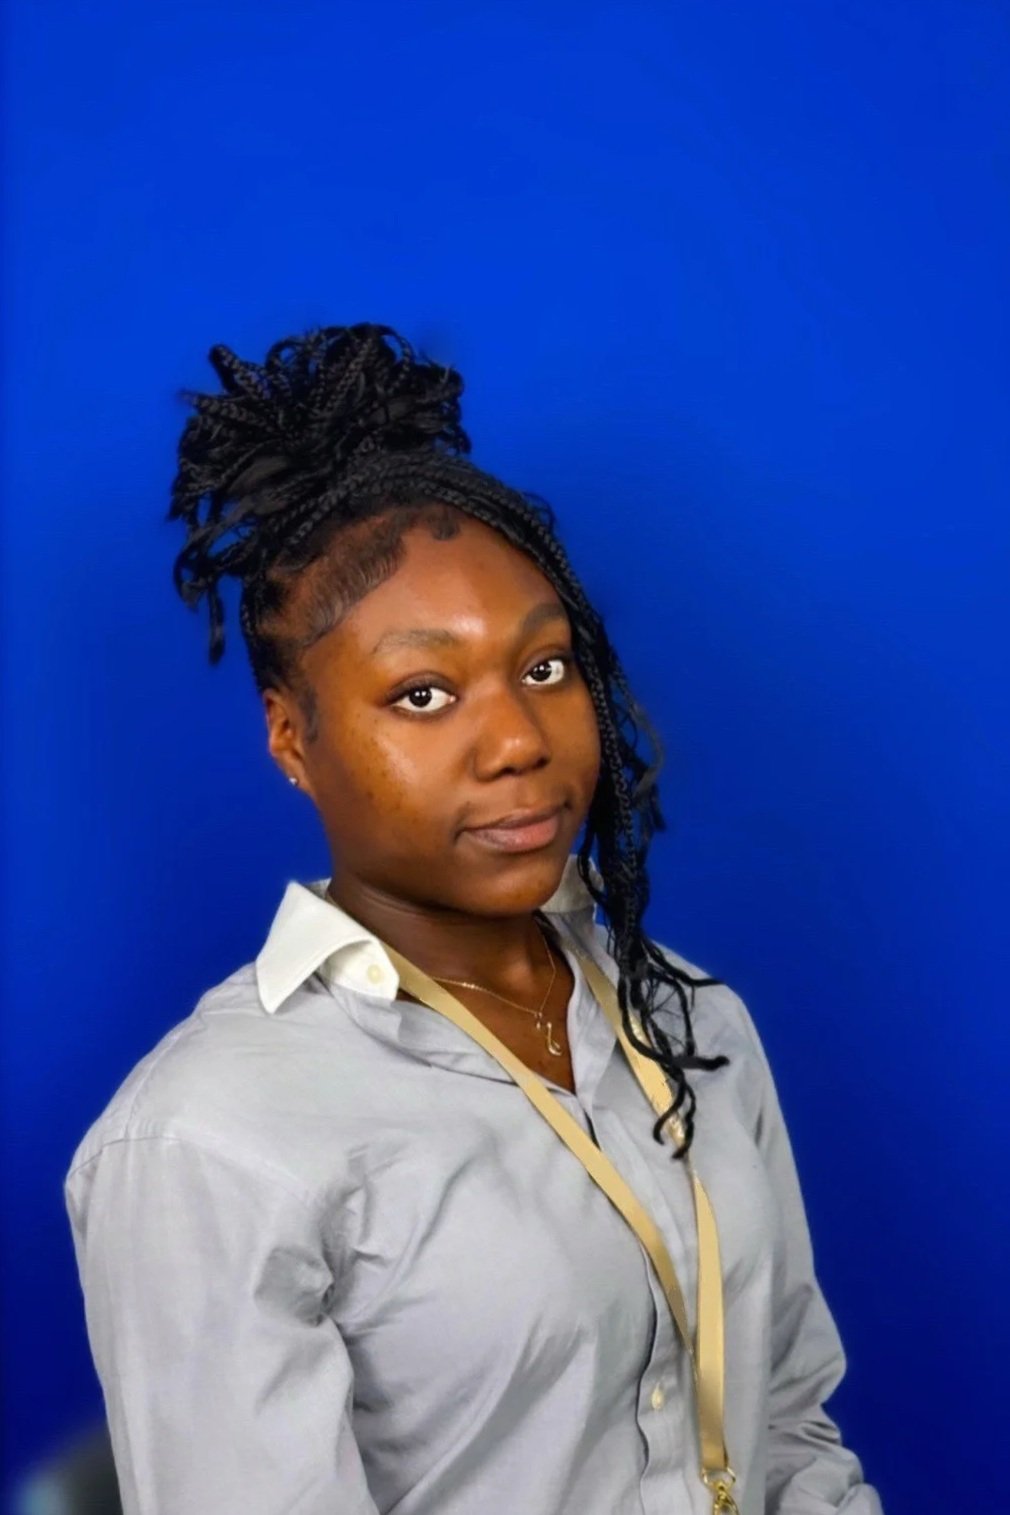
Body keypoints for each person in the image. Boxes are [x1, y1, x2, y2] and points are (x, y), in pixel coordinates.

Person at [64, 323, 884, 1515]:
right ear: (292, 738)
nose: (517, 742)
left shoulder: (687, 1019)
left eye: (545, 669)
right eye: (424, 694)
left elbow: (788, 1425)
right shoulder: (210, 1142)